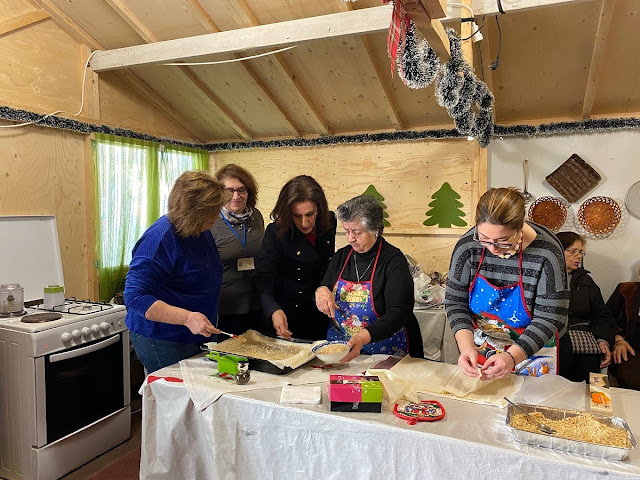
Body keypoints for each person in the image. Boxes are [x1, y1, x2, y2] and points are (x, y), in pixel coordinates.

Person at [445, 187, 570, 380]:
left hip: (535, 346)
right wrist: (466, 347)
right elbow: (455, 303)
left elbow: (549, 317)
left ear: (520, 226)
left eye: (502, 241)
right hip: (484, 343)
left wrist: (512, 357)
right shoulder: (468, 246)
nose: (492, 248)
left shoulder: (546, 252)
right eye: (484, 239)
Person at [124, 170, 227, 373]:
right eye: (212, 211)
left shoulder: (199, 229)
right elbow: (135, 297)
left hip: (193, 334)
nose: (217, 216)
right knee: (174, 392)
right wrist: (187, 318)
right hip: (163, 338)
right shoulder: (160, 239)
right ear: (193, 210)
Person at [315, 195, 424, 362]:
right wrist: (321, 291)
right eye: (346, 231)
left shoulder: (393, 261)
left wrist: (362, 338)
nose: (350, 238)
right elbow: (325, 286)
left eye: (357, 232)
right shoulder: (341, 257)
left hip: (384, 352)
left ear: (375, 229)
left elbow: (399, 313)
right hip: (341, 350)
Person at [254, 175, 337, 341]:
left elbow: (327, 265)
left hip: (317, 313)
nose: (304, 223)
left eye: (309, 214)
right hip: (284, 313)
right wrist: (273, 310)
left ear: (319, 208)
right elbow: (263, 278)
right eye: (297, 216)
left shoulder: (328, 222)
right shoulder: (276, 232)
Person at [210, 164, 265, 335]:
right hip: (225, 308)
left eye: (242, 190)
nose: (236, 196)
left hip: (256, 305)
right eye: (230, 190)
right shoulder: (210, 220)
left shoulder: (256, 216)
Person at [555, 231, 616, 382]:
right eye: (573, 251)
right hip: (553, 341)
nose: (578, 256)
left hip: (584, 341)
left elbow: (602, 316)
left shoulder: (586, 282)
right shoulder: (543, 277)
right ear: (557, 251)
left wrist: (603, 340)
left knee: (592, 384)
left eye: (581, 252)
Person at [606, 264, 640, 390]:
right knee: (632, 380)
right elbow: (607, 320)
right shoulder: (625, 290)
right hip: (630, 349)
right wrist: (618, 340)